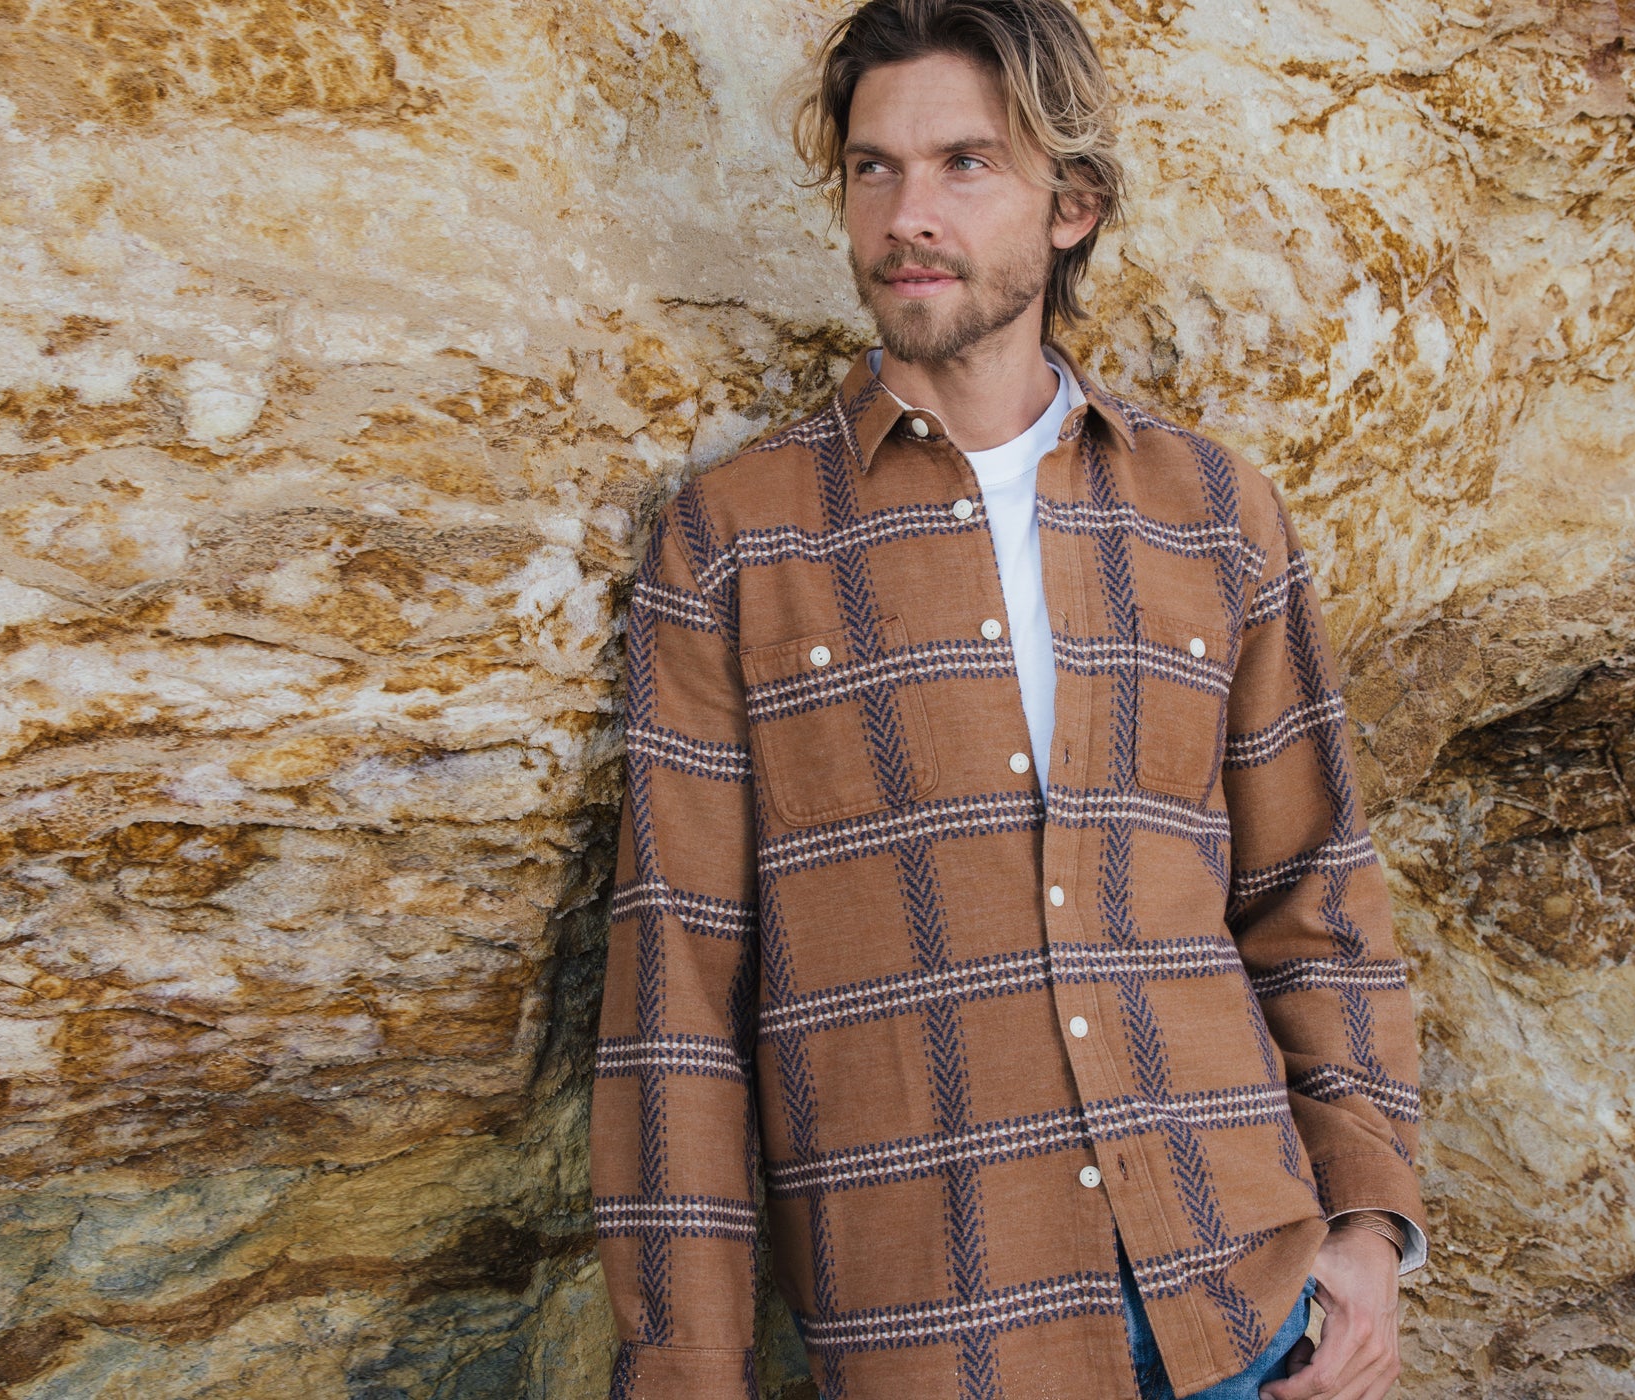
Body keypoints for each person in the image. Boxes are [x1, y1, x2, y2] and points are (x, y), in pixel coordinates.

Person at [586, 2, 1427, 1396]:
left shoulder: (1214, 512)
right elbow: (676, 985)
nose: (907, 214)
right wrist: (687, 1365)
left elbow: (1312, 890)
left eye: (965, 164)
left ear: (1071, 207)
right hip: (944, 1334)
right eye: (874, 167)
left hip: (1247, 1310)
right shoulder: (734, 543)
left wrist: (1369, 1225)